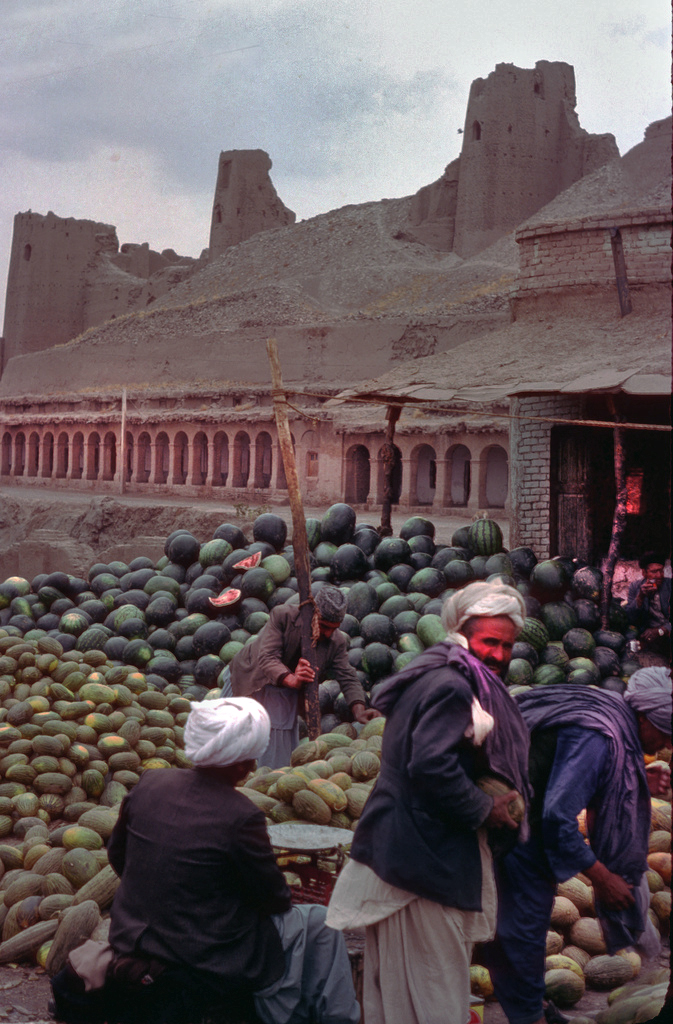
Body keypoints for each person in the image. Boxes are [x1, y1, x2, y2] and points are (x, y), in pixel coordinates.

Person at [51, 697, 360, 1024]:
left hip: (134, 935)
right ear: (243, 764)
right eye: (251, 759)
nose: (253, 767)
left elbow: (119, 856)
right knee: (320, 922)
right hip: (205, 954)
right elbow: (274, 899)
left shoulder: (151, 782)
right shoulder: (242, 815)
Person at [326, 581, 532, 1024]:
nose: (498, 654)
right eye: (489, 642)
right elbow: (430, 765)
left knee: (401, 991)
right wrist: (485, 808)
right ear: (463, 632)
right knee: (434, 991)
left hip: (406, 846)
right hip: (422, 856)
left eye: (507, 645)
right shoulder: (452, 686)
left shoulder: (438, 670)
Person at [482, 666, 672, 1024]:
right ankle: (529, 1016)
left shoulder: (617, 711)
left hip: (529, 813)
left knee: (529, 925)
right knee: (522, 927)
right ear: (644, 716)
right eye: (664, 734)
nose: (666, 745)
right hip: (517, 826)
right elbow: (556, 817)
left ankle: (532, 1005)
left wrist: (638, 777)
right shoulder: (599, 737)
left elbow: (586, 770)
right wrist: (602, 877)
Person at [225, 584, 379, 768]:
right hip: (253, 677)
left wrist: (359, 709)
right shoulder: (282, 616)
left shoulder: (336, 641)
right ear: (313, 613)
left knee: (274, 756)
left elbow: (347, 676)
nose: (329, 633)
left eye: (334, 628)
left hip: (284, 692)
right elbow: (267, 658)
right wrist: (292, 678)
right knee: (231, 738)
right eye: (324, 626)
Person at [625, 552, 671, 654]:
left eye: (661, 571)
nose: (659, 576)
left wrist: (660, 630)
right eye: (654, 572)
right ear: (644, 573)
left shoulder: (670, 585)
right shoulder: (635, 587)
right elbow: (630, 617)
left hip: (666, 630)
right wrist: (640, 597)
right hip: (648, 632)